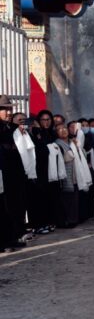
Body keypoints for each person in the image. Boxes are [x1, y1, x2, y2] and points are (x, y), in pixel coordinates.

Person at [0, 96, 29, 248]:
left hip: (13, 174)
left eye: (10, 109)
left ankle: (11, 237)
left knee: (12, 206)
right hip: (2, 173)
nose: (8, 112)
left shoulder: (10, 128)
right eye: (5, 109)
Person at [32, 110, 59, 233]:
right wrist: (37, 132)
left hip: (52, 170)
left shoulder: (52, 134)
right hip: (40, 169)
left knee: (50, 197)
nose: (46, 122)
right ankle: (40, 224)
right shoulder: (36, 133)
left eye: (48, 119)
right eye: (43, 120)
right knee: (40, 198)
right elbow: (41, 149)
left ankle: (49, 221)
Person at [54, 123, 81, 227]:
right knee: (67, 199)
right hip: (66, 175)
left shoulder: (72, 142)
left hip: (75, 174)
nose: (63, 130)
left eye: (64, 128)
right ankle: (68, 220)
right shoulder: (57, 144)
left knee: (74, 199)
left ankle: (74, 219)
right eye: (59, 129)